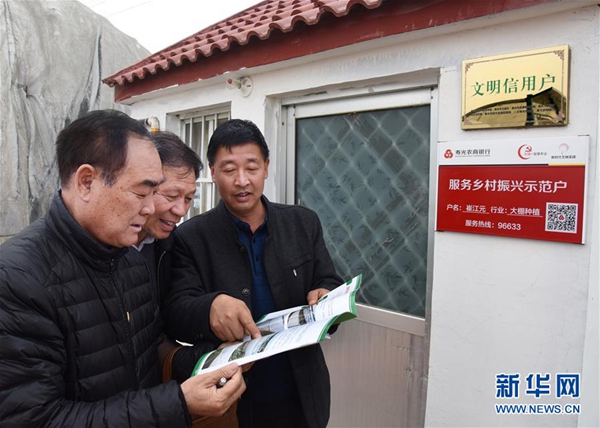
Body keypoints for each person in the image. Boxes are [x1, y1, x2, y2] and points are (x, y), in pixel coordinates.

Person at [0, 110, 245, 427]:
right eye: (142, 192)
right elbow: (35, 419)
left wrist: (213, 360)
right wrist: (177, 404)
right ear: (86, 182)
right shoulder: (18, 279)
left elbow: (147, 353)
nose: (150, 207)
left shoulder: (129, 259)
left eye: (155, 193)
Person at [164, 119, 343, 428]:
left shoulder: (303, 223)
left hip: (303, 394)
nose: (242, 181)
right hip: (233, 399)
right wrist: (210, 307)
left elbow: (327, 279)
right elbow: (176, 311)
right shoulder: (190, 237)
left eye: (251, 167)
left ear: (266, 167)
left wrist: (325, 294)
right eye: (229, 170)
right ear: (213, 172)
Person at [134, 131, 202, 310]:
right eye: (172, 196)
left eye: (188, 199)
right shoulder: (105, 245)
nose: (181, 211)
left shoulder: (174, 246)